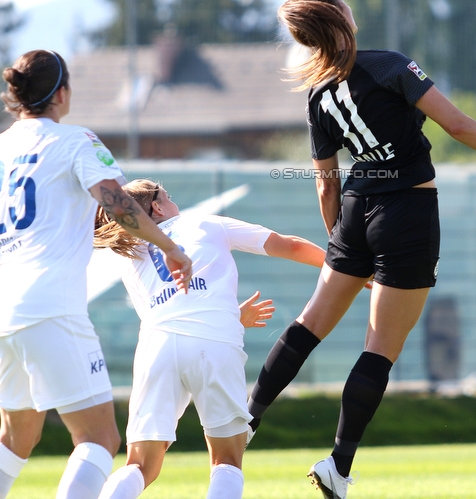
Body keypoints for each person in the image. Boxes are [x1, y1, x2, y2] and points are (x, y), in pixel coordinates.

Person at [244, 0, 476, 499]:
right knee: (380, 350)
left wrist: (342, 244)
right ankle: (339, 465)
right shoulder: (388, 65)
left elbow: (325, 182)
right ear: (341, 18)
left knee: (309, 324)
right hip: (407, 212)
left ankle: (247, 416)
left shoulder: (318, 94)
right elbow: (456, 124)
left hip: (352, 212)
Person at [0, 50, 193, 499]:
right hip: (50, 306)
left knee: (16, 438)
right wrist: (170, 247)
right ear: (62, 93)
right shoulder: (76, 140)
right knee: (100, 439)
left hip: (3, 308)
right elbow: (117, 204)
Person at [93, 179, 326, 499]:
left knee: (140, 465)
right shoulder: (203, 220)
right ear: (157, 207)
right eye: (168, 197)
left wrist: (231, 315)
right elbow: (290, 245)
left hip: (157, 348)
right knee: (226, 461)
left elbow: (175, 305)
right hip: (214, 344)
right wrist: (342, 269)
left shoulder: (128, 249)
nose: (173, 202)